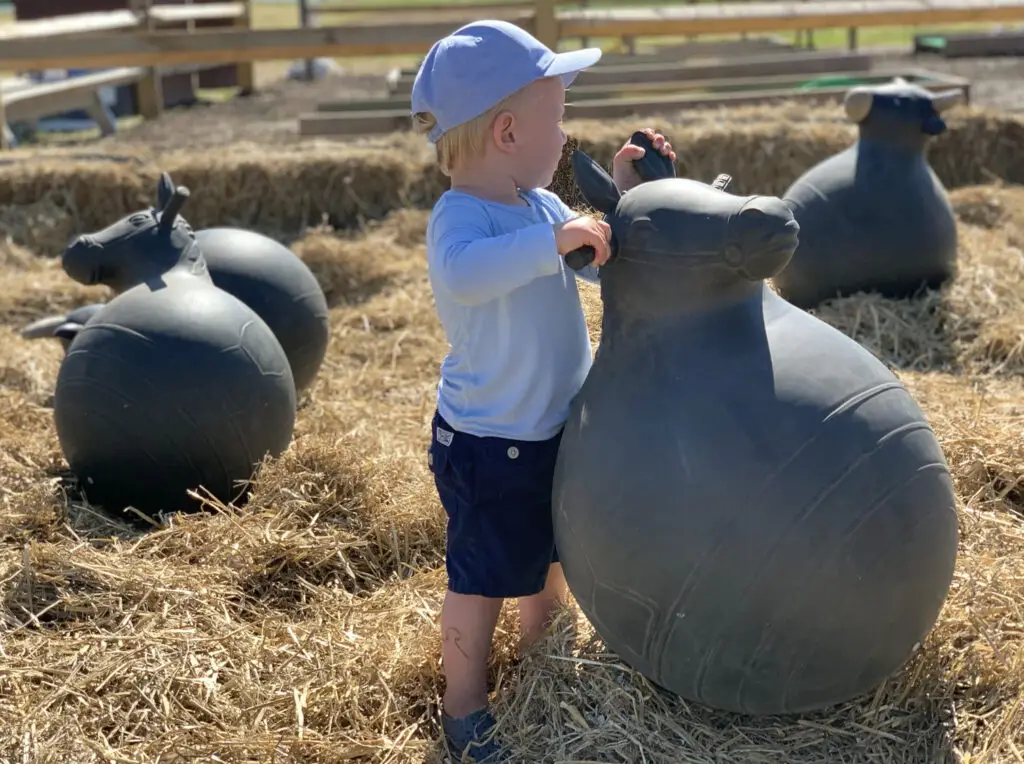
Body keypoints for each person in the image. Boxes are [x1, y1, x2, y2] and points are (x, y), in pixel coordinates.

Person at [410, 19, 676, 762]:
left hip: (555, 431)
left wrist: (620, 194)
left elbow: (594, 261)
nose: (565, 138)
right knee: (482, 577)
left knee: (549, 563)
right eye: (555, 122)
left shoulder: (545, 207)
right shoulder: (459, 218)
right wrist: (552, 243)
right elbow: (468, 274)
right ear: (505, 132)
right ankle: (463, 707)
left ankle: (544, 669)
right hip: (488, 442)